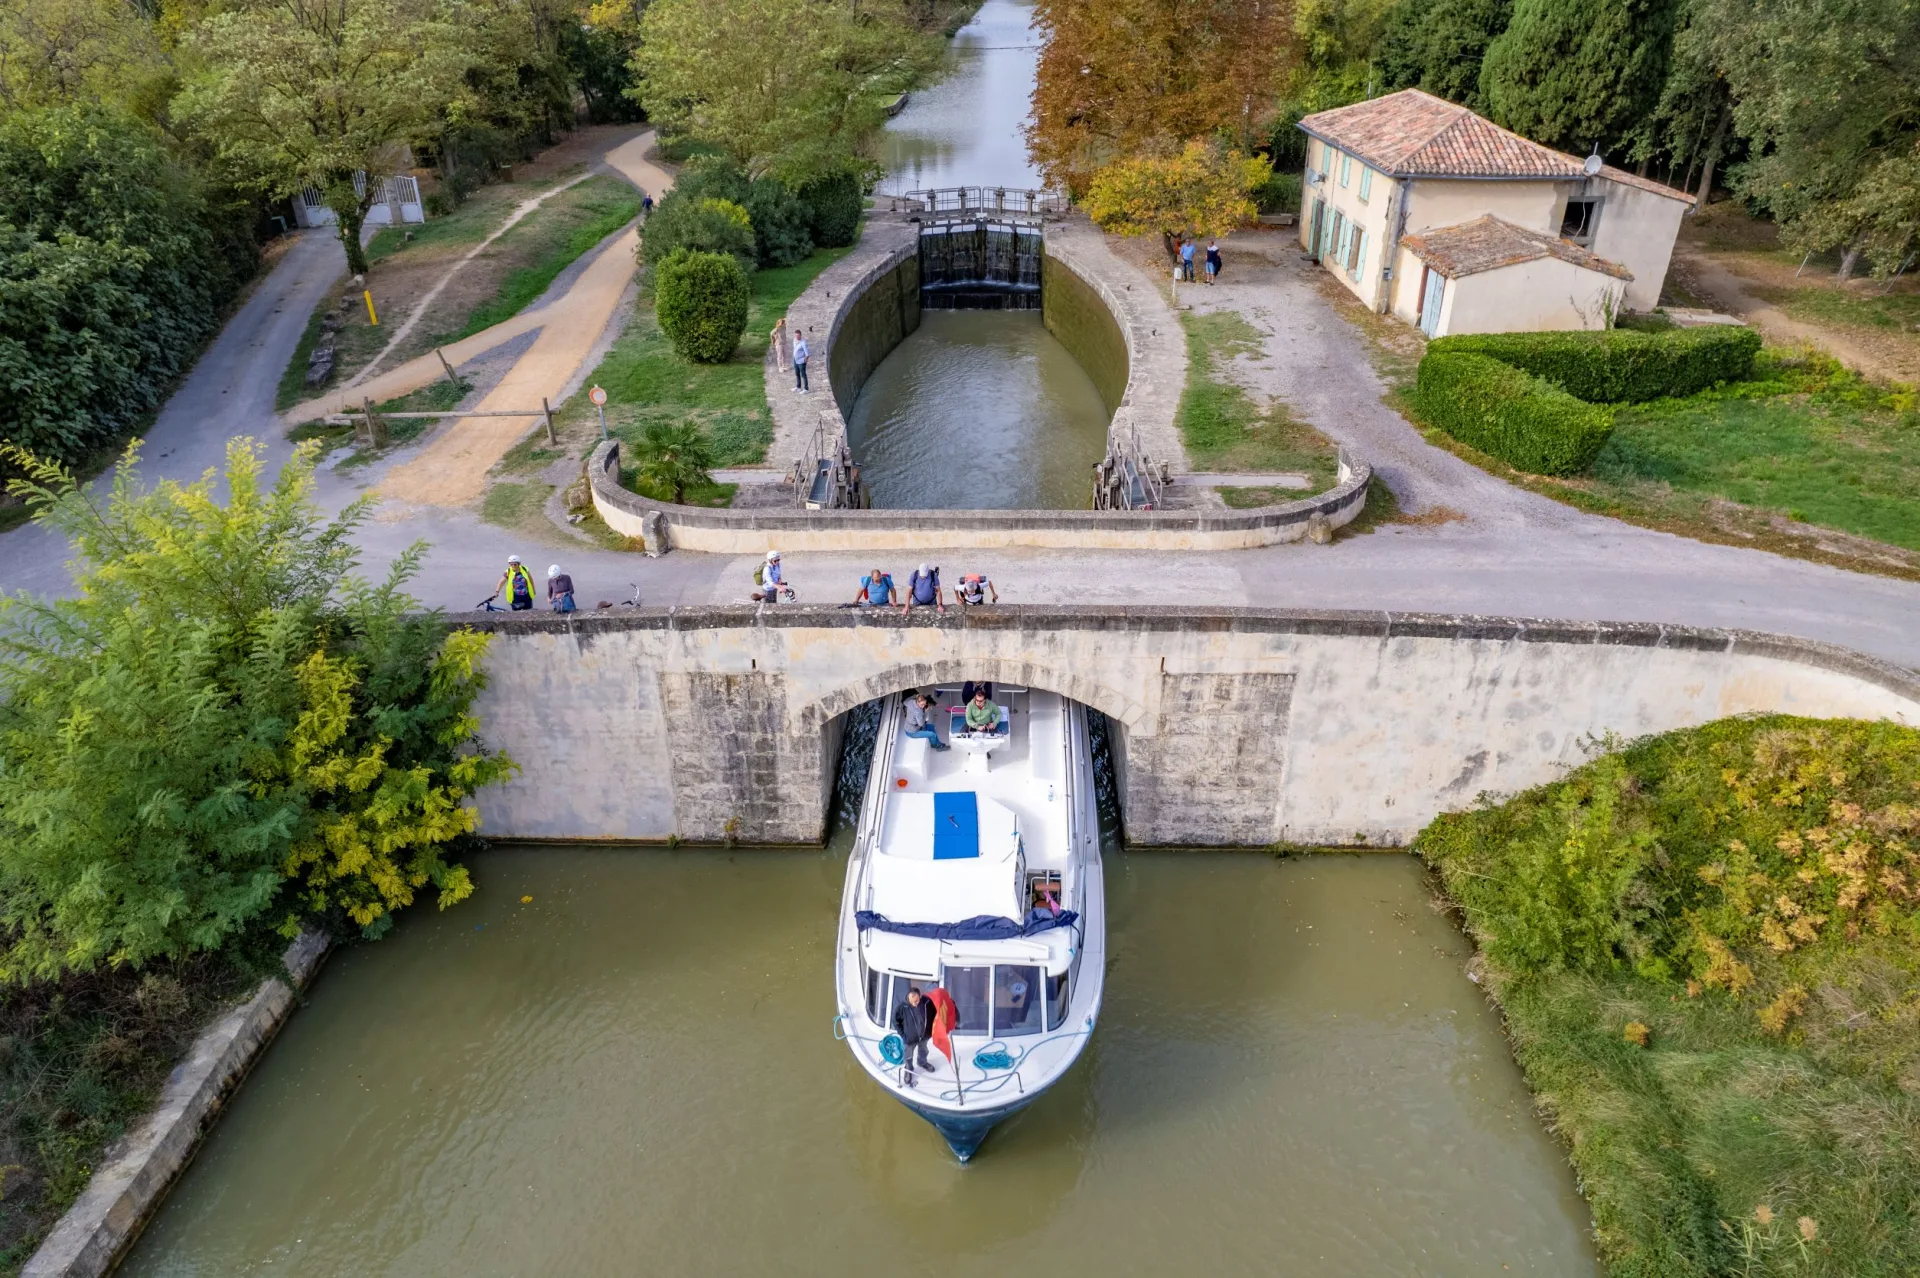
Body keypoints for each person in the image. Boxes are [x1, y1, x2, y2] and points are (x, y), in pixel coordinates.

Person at [893, 985, 935, 1085]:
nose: (915, 1004)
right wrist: (903, 1035)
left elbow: (934, 1013)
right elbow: (895, 1022)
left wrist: (931, 1030)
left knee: (923, 1050)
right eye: (912, 1002)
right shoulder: (902, 1007)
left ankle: (922, 1062)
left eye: (916, 1001)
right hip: (910, 1039)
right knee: (908, 1055)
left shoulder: (926, 1002)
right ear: (909, 997)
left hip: (924, 1036)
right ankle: (908, 1070)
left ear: (920, 997)